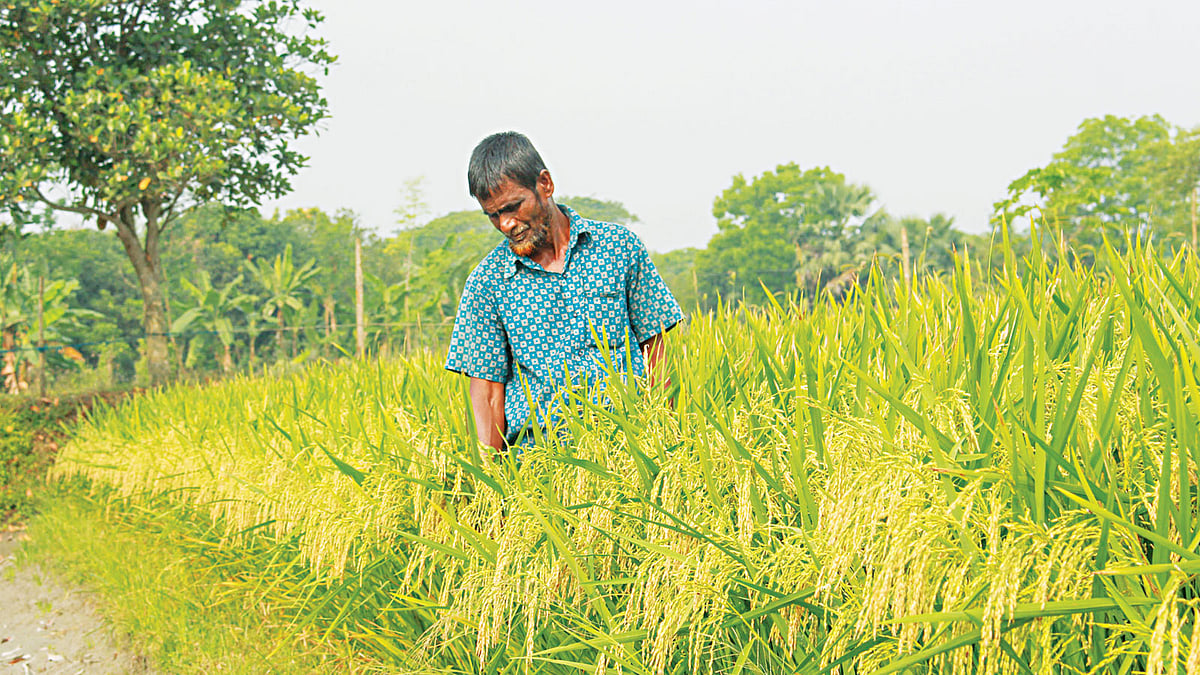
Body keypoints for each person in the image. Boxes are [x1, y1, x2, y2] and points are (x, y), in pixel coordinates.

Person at [445, 131, 682, 451]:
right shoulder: (488, 283)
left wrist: (667, 444)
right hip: (541, 458)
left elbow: (655, 350)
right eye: (494, 215)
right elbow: (487, 392)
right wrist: (493, 487)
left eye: (513, 207)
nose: (506, 224)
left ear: (545, 184)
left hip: (630, 447)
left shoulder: (619, 248)